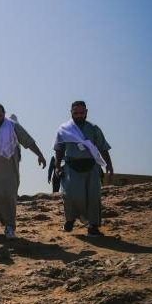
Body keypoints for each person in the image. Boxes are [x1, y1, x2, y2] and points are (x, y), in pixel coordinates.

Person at [0, 103, 47, 239]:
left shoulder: (12, 125)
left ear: (4, 114)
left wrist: (40, 154)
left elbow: (28, 141)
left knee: (9, 196)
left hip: (9, 168)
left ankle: (10, 227)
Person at [53, 101, 113, 236]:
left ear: (86, 112)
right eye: (76, 113)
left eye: (82, 113)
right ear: (71, 113)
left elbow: (103, 147)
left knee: (93, 196)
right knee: (71, 196)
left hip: (91, 166)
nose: (79, 116)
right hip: (71, 167)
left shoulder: (94, 129)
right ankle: (70, 219)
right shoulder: (64, 129)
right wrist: (57, 166)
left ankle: (93, 226)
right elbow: (59, 148)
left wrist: (109, 164)